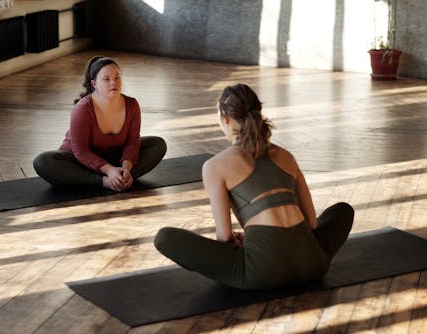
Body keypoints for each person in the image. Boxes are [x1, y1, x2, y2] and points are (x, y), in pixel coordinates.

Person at [154, 83, 354, 290]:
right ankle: (301, 255)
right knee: (343, 211)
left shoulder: (214, 166)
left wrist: (237, 241)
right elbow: (312, 224)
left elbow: (224, 237)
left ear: (225, 118)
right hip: (313, 265)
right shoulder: (286, 156)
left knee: (165, 238)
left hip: (263, 272)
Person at [33, 56, 167, 191]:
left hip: (114, 158)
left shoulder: (132, 105)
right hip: (80, 162)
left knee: (158, 144)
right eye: (106, 79)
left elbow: (132, 143)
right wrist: (108, 171)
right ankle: (106, 182)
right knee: (42, 161)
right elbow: (81, 151)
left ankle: (123, 178)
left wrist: (126, 169)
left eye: (117, 77)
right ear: (94, 84)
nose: (113, 83)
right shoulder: (82, 109)